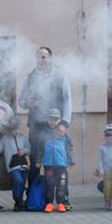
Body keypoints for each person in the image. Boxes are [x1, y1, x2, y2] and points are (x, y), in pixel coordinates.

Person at [18, 47, 71, 184]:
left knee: (55, 163)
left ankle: (58, 195)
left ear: (50, 58)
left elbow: (67, 100)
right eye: (38, 57)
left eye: (43, 57)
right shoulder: (31, 77)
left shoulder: (60, 76)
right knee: (34, 162)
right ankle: (31, 195)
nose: (40, 60)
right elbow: (21, 101)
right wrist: (27, 103)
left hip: (54, 127)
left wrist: (64, 124)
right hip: (36, 126)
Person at [0, 118, 30, 211]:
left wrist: (24, 151)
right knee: (18, 180)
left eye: (17, 129)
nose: (16, 131)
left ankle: (19, 202)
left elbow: (29, 149)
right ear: (9, 130)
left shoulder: (23, 137)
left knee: (22, 184)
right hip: (13, 166)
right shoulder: (5, 139)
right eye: (13, 129)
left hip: (24, 165)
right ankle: (17, 199)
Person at [41, 108, 74, 212]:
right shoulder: (44, 134)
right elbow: (40, 148)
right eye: (50, 119)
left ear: (59, 120)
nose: (52, 122)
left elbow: (69, 148)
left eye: (55, 119)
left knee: (62, 185)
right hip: (49, 165)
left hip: (61, 165)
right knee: (49, 185)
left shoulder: (63, 133)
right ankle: (49, 203)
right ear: (47, 120)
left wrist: (71, 160)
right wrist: (38, 160)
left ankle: (61, 203)